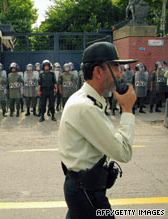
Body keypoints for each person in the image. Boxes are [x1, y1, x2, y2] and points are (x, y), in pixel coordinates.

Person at [59, 42, 137, 219]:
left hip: (84, 188)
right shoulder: (86, 107)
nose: (120, 73)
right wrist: (127, 109)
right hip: (87, 193)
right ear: (98, 71)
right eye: (116, 66)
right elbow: (123, 153)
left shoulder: (85, 99)